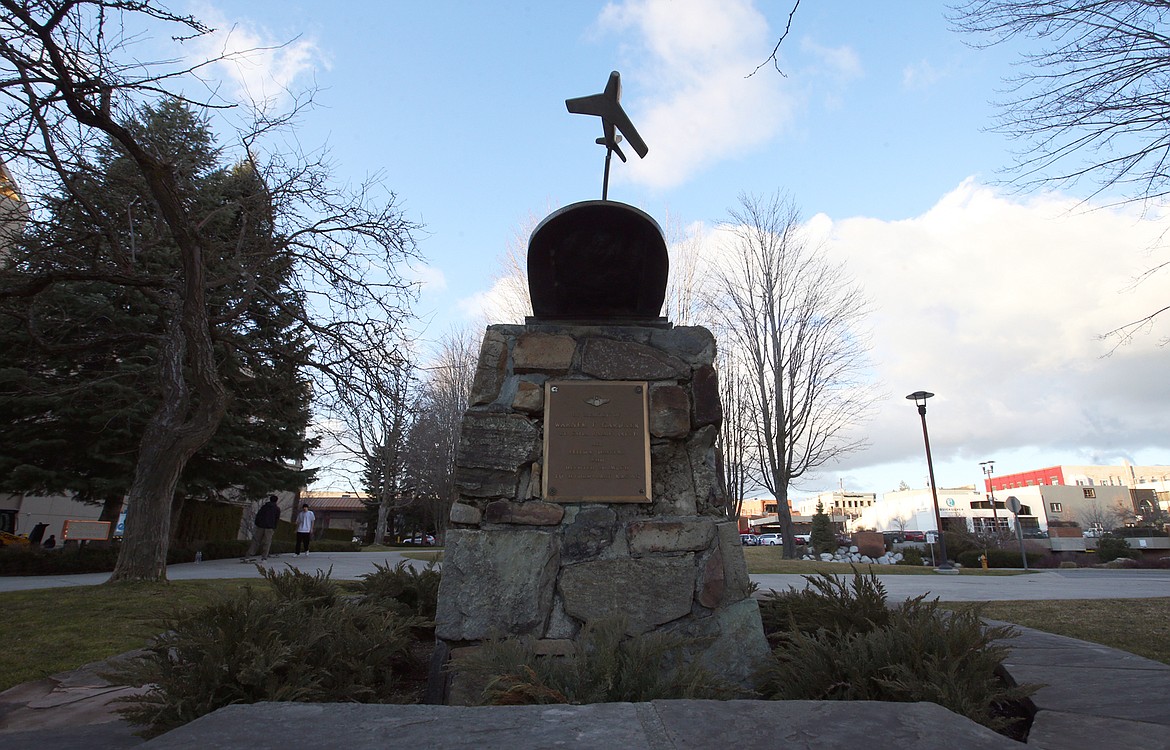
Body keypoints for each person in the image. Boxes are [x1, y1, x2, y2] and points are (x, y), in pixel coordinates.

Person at [243, 495, 281, 562]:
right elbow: (276, 519)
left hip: (261, 526)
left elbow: (258, 515)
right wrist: (274, 527)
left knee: (256, 541)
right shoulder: (276, 509)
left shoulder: (264, 507)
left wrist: (257, 523)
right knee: (267, 542)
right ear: (276, 501)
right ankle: (264, 557)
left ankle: (248, 555)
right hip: (269, 527)